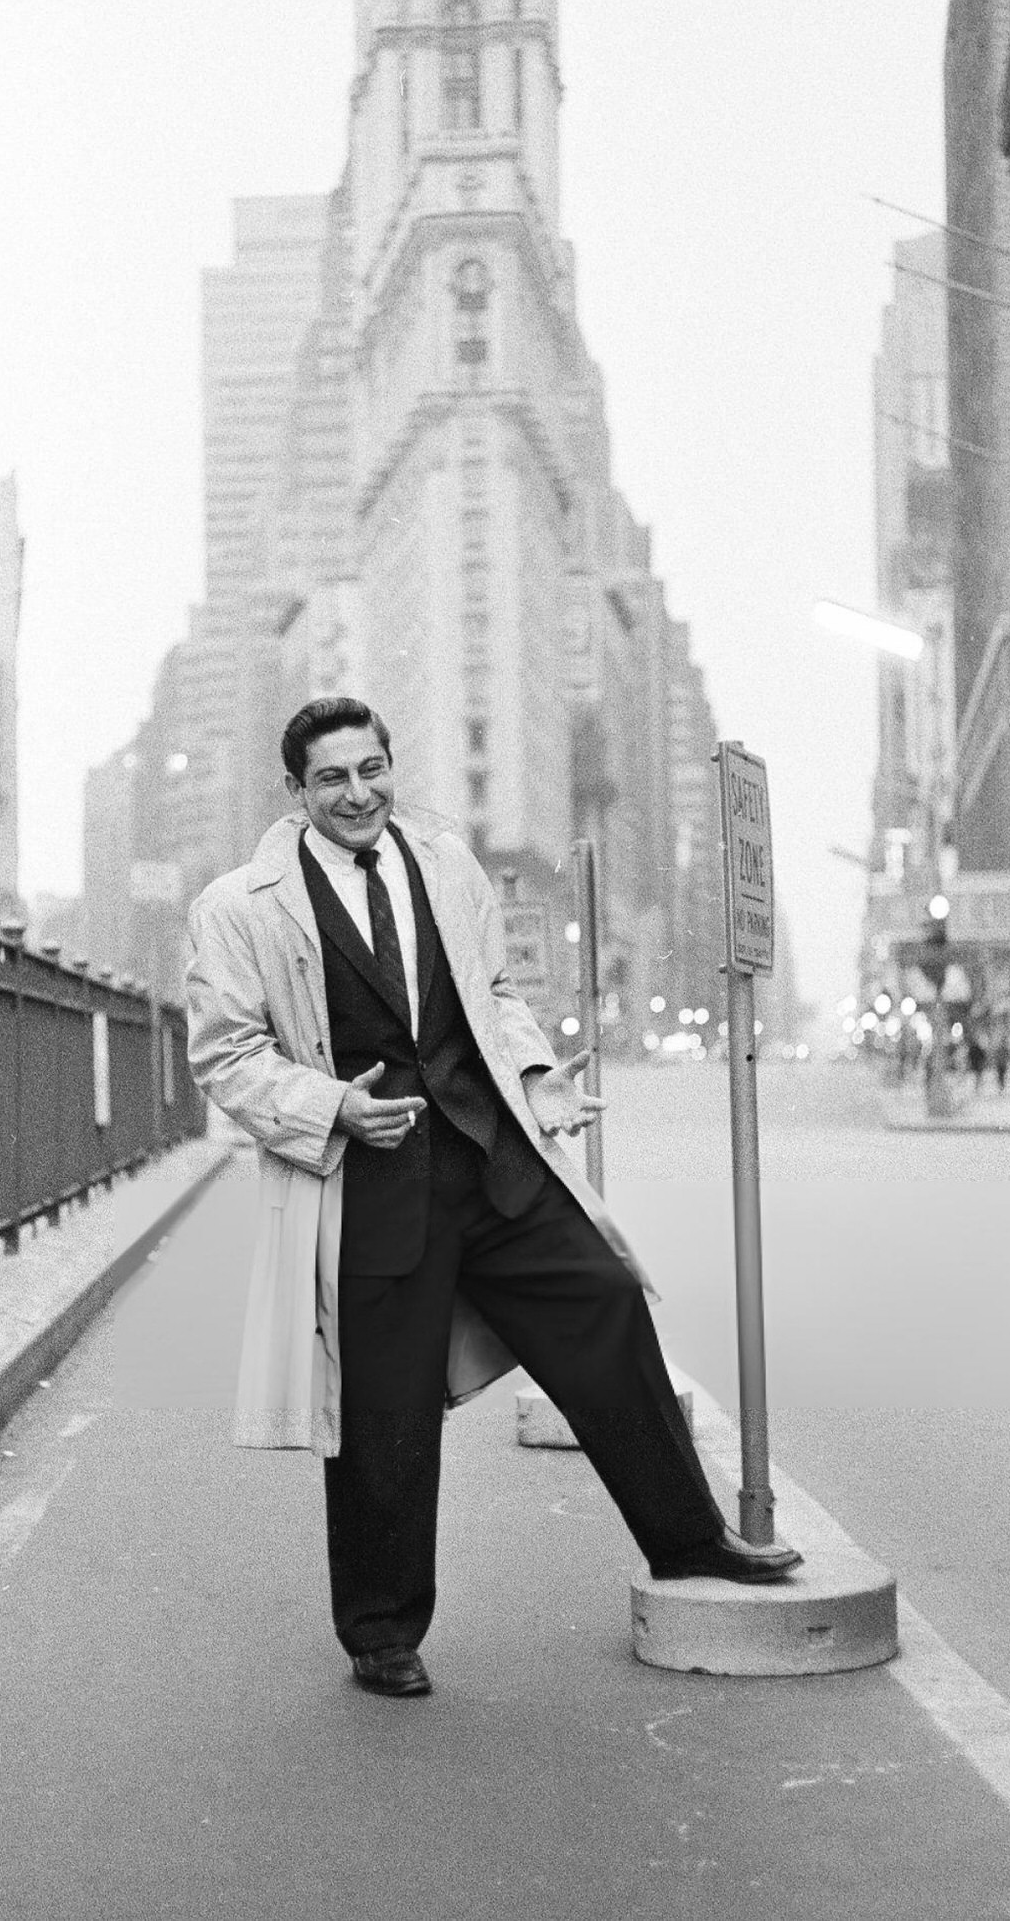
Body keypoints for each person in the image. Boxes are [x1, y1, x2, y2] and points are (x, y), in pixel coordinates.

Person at [186, 696, 800, 1699]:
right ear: (294, 791)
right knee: (385, 1414)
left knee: (602, 1301)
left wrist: (536, 1076)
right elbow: (225, 1054)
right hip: (371, 1190)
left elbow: (495, 994)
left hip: (493, 1162)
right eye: (333, 778)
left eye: (373, 768)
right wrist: (333, 1106)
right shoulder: (240, 905)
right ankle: (381, 1629)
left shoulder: (441, 862)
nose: (359, 793)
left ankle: (688, 1539)